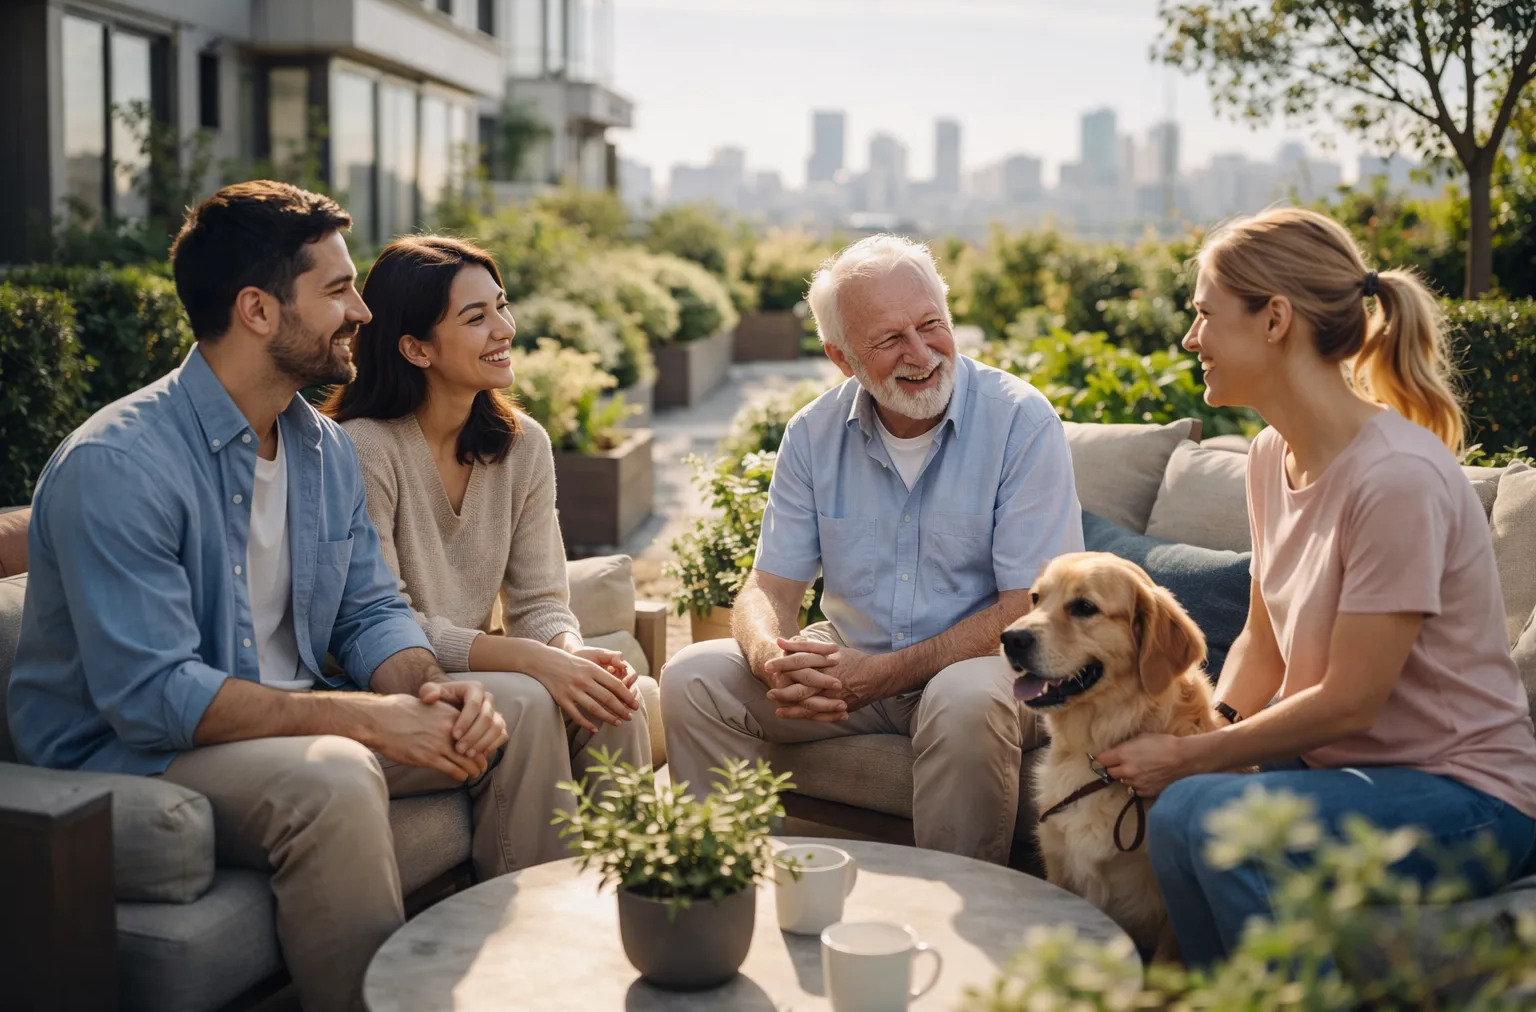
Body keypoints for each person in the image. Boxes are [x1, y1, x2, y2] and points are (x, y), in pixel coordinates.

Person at [7, 182, 520, 1012]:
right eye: (336, 290)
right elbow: (153, 697)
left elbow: (367, 610)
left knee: (515, 708)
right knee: (336, 777)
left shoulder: (318, 447)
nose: (361, 310)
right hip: (127, 758)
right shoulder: (120, 464)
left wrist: (426, 687)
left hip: (277, 719)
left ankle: (527, 981)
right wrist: (364, 718)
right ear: (256, 309)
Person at [1096, 207, 1536, 968]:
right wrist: (1208, 735)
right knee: (1183, 809)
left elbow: (1351, 698)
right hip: (1344, 777)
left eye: (1203, 314)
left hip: (1471, 799)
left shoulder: (1395, 478)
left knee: (1199, 808)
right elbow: (1263, 643)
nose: (1189, 339)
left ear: (1274, 320)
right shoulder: (1272, 455)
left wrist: (1198, 760)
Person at [661, 234, 1084, 864]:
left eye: (931, 325)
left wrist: (883, 675)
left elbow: (1028, 605)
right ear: (842, 356)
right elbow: (770, 587)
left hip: (986, 666)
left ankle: (963, 919)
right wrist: (771, 657)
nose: (921, 354)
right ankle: (721, 888)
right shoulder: (813, 432)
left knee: (961, 699)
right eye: (889, 340)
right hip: (853, 662)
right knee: (694, 677)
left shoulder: (1021, 421)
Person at [320, 234, 651, 863]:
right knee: (533, 696)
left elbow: (542, 604)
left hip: (483, 671)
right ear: (416, 347)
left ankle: (635, 894)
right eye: (476, 318)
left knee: (616, 707)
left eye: (501, 306)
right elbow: (380, 623)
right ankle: (535, 925)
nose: (505, 328)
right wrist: (532, 662)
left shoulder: (523, 445)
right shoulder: (361, 449)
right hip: (394, 684)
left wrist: (573, 657)